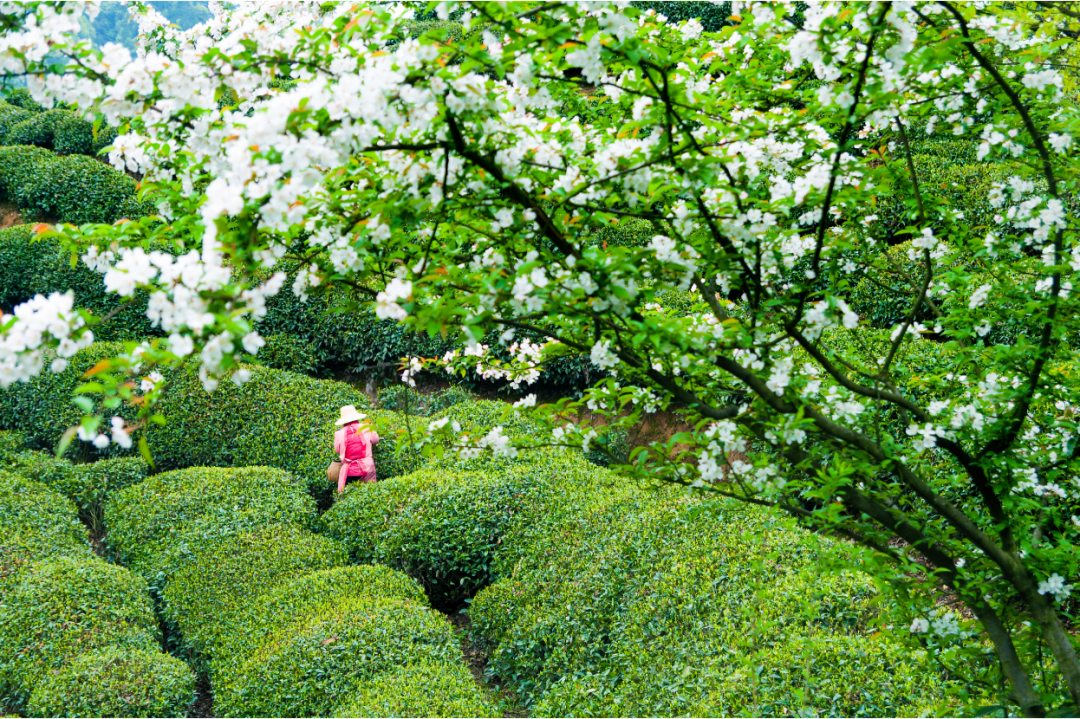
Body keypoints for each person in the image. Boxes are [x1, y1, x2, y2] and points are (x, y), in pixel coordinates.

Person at [332, 404, 379, 493]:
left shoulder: (339, 433)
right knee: (371, 493)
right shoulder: (366, 428)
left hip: (350, 472)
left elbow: (338, 450)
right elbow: (376, 440)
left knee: (349, 497)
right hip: (368, 467)